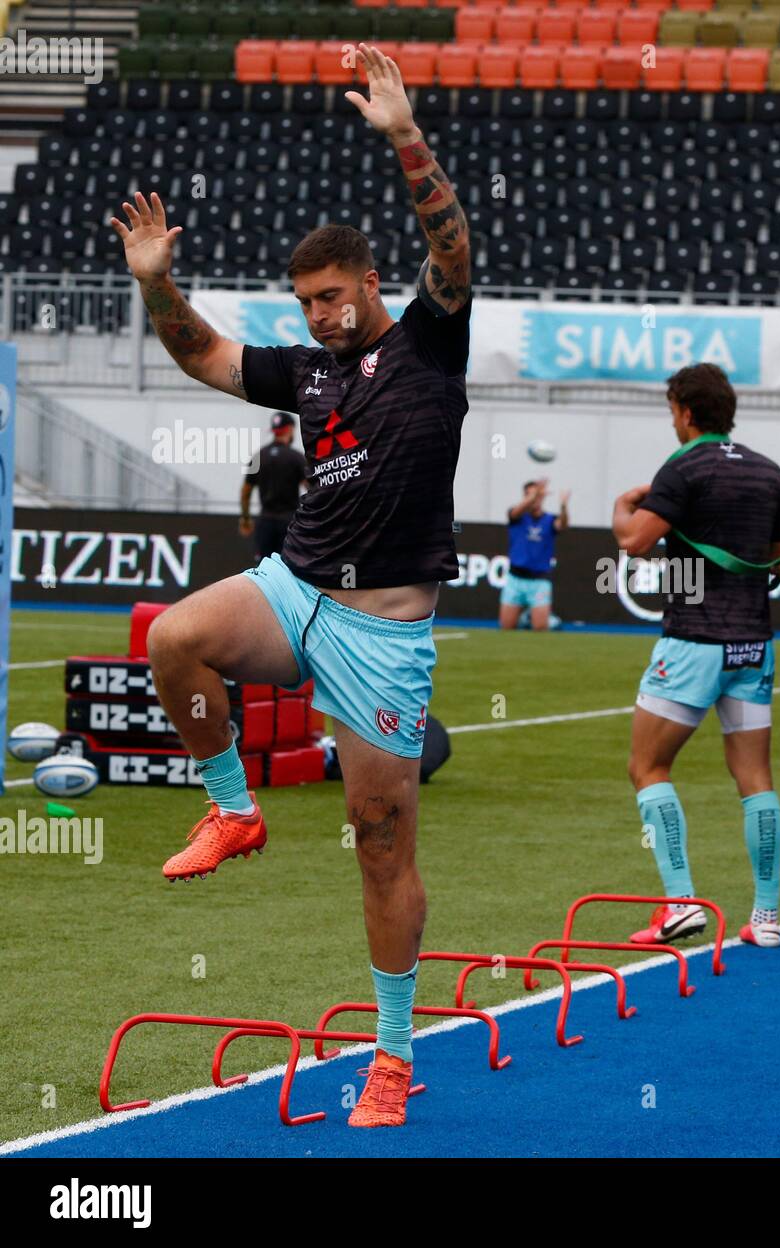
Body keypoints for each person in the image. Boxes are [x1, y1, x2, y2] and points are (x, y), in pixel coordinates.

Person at [110, 45, 470, 1126]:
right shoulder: (306, 372)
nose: (317, 316)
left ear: (367, 282)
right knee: (173, 636)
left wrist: (404, 132)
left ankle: (395, 1059)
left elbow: (452, 243)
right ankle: (234, 809)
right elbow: (205, 357)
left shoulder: (431, 342)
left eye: (330, 296)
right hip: (296, 587)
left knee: (378, 841)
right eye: (303, 302)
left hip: (383, 636)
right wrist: (156, 283)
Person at [613, 363, 780, 950]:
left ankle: (680, 905)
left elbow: (634, 542)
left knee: (648, 767)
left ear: (687, 412)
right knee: (755, 779)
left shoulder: (683, 466)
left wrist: (624, 504)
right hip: (754, 645)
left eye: (672, 410)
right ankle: (766, 919)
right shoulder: (769, 472)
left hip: (693, 642)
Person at [499, 477, 569, 630]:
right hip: (515, 579)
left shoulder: (550, 519)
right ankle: (525, 619)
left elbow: (562, 525)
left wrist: (563, 505)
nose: (535, 499)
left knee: (540, 628)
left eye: (538, 495)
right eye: (531, 495)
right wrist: (534, 494)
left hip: (539, 580)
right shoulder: (517, 516)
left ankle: (533, 619)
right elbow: (518, 510)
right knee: (506, 627)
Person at [239, 411, 307, 559]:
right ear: (290, 429)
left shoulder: (258, 456)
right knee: (288, 568)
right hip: (289, 523)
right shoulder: (296, 457)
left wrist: (245, 518)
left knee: (263, 569)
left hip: (265, 522)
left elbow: (245, 491)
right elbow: (311, 489)